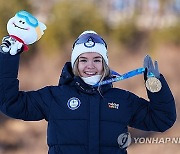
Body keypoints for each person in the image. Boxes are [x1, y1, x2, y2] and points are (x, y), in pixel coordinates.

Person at [0, 30, 176, 154]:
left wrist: (155, 84)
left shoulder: (122, 100)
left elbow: (162, 119)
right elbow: (10, 103)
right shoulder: (54, 97)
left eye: (97, 60)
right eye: (83, 60)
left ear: (105, 64)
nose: (90, 66)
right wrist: (9, 58)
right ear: (75, 63)